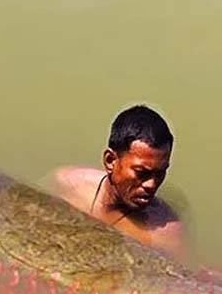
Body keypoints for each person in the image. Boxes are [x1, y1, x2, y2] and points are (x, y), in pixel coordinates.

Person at [47, 104, 186, 256]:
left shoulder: (166, 232)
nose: (151, 185)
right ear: (110, 161)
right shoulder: (67, 184)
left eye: (160, 173)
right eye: (141, 173)